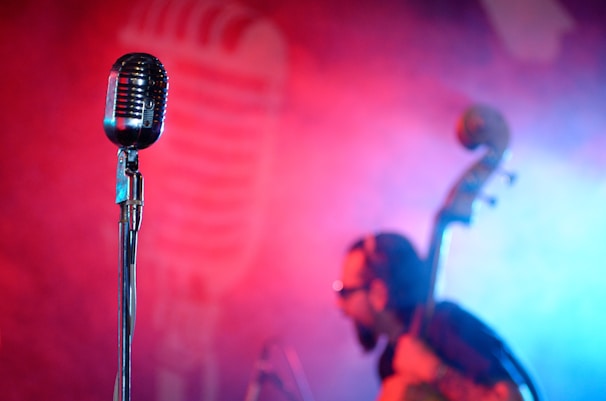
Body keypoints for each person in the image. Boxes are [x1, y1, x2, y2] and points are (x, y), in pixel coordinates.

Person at [334, 232, 540, 401]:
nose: (340, 305)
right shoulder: (388, 361)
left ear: (379, 293)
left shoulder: (444, 324)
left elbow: (520, 398)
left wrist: (435, 371)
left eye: (344, 292)